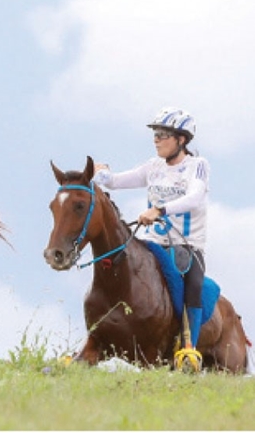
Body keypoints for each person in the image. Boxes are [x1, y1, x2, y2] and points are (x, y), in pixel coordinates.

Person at [93, 107, 209, 370]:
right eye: (155, 134)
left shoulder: (197, 166)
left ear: (181, 140)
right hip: (151, 241)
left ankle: (188, 349)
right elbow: (116, 181)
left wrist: (160, 209)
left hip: (186, 245)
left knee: (193, 284)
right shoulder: (153, 167)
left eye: (163, 134)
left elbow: (195, 197)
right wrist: (100, 173)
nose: (156, 139)